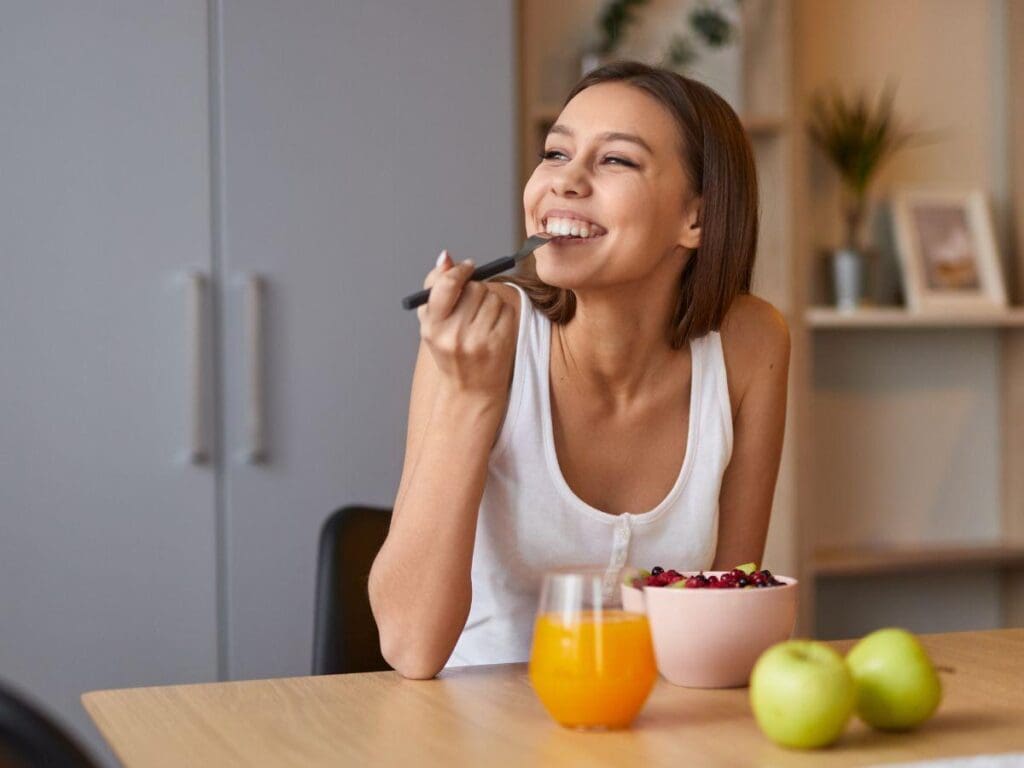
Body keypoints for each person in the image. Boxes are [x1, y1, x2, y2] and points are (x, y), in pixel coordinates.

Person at [368, 60, 790, 680]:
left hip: (655, 718)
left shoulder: (751, 344)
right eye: (555, 153)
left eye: (615, 159)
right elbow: (409, 647)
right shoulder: (480, 339)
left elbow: (724, 616)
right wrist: (469, 397)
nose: (564, 181)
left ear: (696, 219)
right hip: (473, 721)